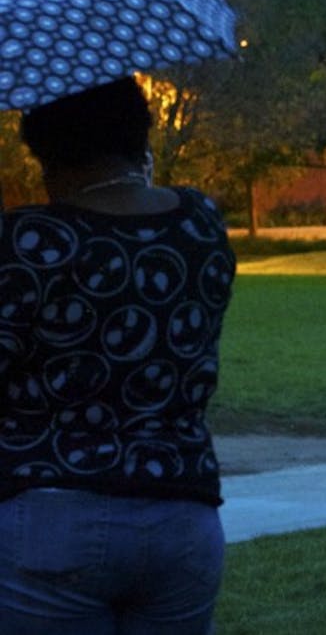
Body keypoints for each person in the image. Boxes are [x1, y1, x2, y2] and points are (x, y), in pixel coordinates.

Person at [0, 77, 236, 634]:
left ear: (49, 153)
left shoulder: (28, 240)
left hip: (51, 518)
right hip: (184, 515)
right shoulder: (199, 224)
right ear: (139, 134)